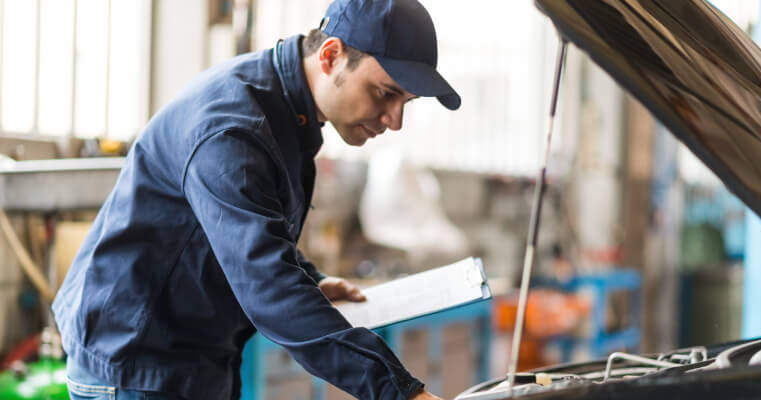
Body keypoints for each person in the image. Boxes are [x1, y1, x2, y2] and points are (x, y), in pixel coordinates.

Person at [52, 0, 459, 399]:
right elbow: (267, 286)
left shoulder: (286, 113)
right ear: (331, 56)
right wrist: (401, 393)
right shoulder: (234, 129)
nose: (395, 121)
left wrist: (312, 282)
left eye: (405, 102)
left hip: (188, 362)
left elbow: (247, 230)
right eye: (384, 93)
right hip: (136, 363)